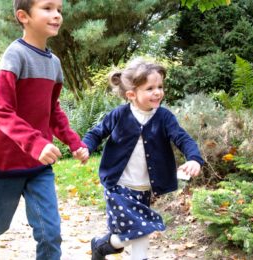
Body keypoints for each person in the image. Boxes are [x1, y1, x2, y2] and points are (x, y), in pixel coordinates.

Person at [0, 1, 89, 259]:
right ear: (24, 16)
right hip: (4, 164)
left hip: (39, 167)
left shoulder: (54, 63)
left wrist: (74, 142)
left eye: (59, 10)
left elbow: (53, 110)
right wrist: (36, 143)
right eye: (47, 8)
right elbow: (1, 110)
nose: (56, 15)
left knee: (49, 233)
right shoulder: (15, 55)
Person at [82, 58, 204, 260]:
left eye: (160, 86)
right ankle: (103, 245)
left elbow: (182, 138)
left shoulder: (164, 117)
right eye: (150, 88)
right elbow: (96, 133)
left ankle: (103, 244)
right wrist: (85, 147)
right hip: (118, 186)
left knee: (134, 233)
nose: (157, 92)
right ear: (131, 94)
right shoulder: (119, 114)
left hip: (145, 189)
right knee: (141, 229)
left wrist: (194, 158)